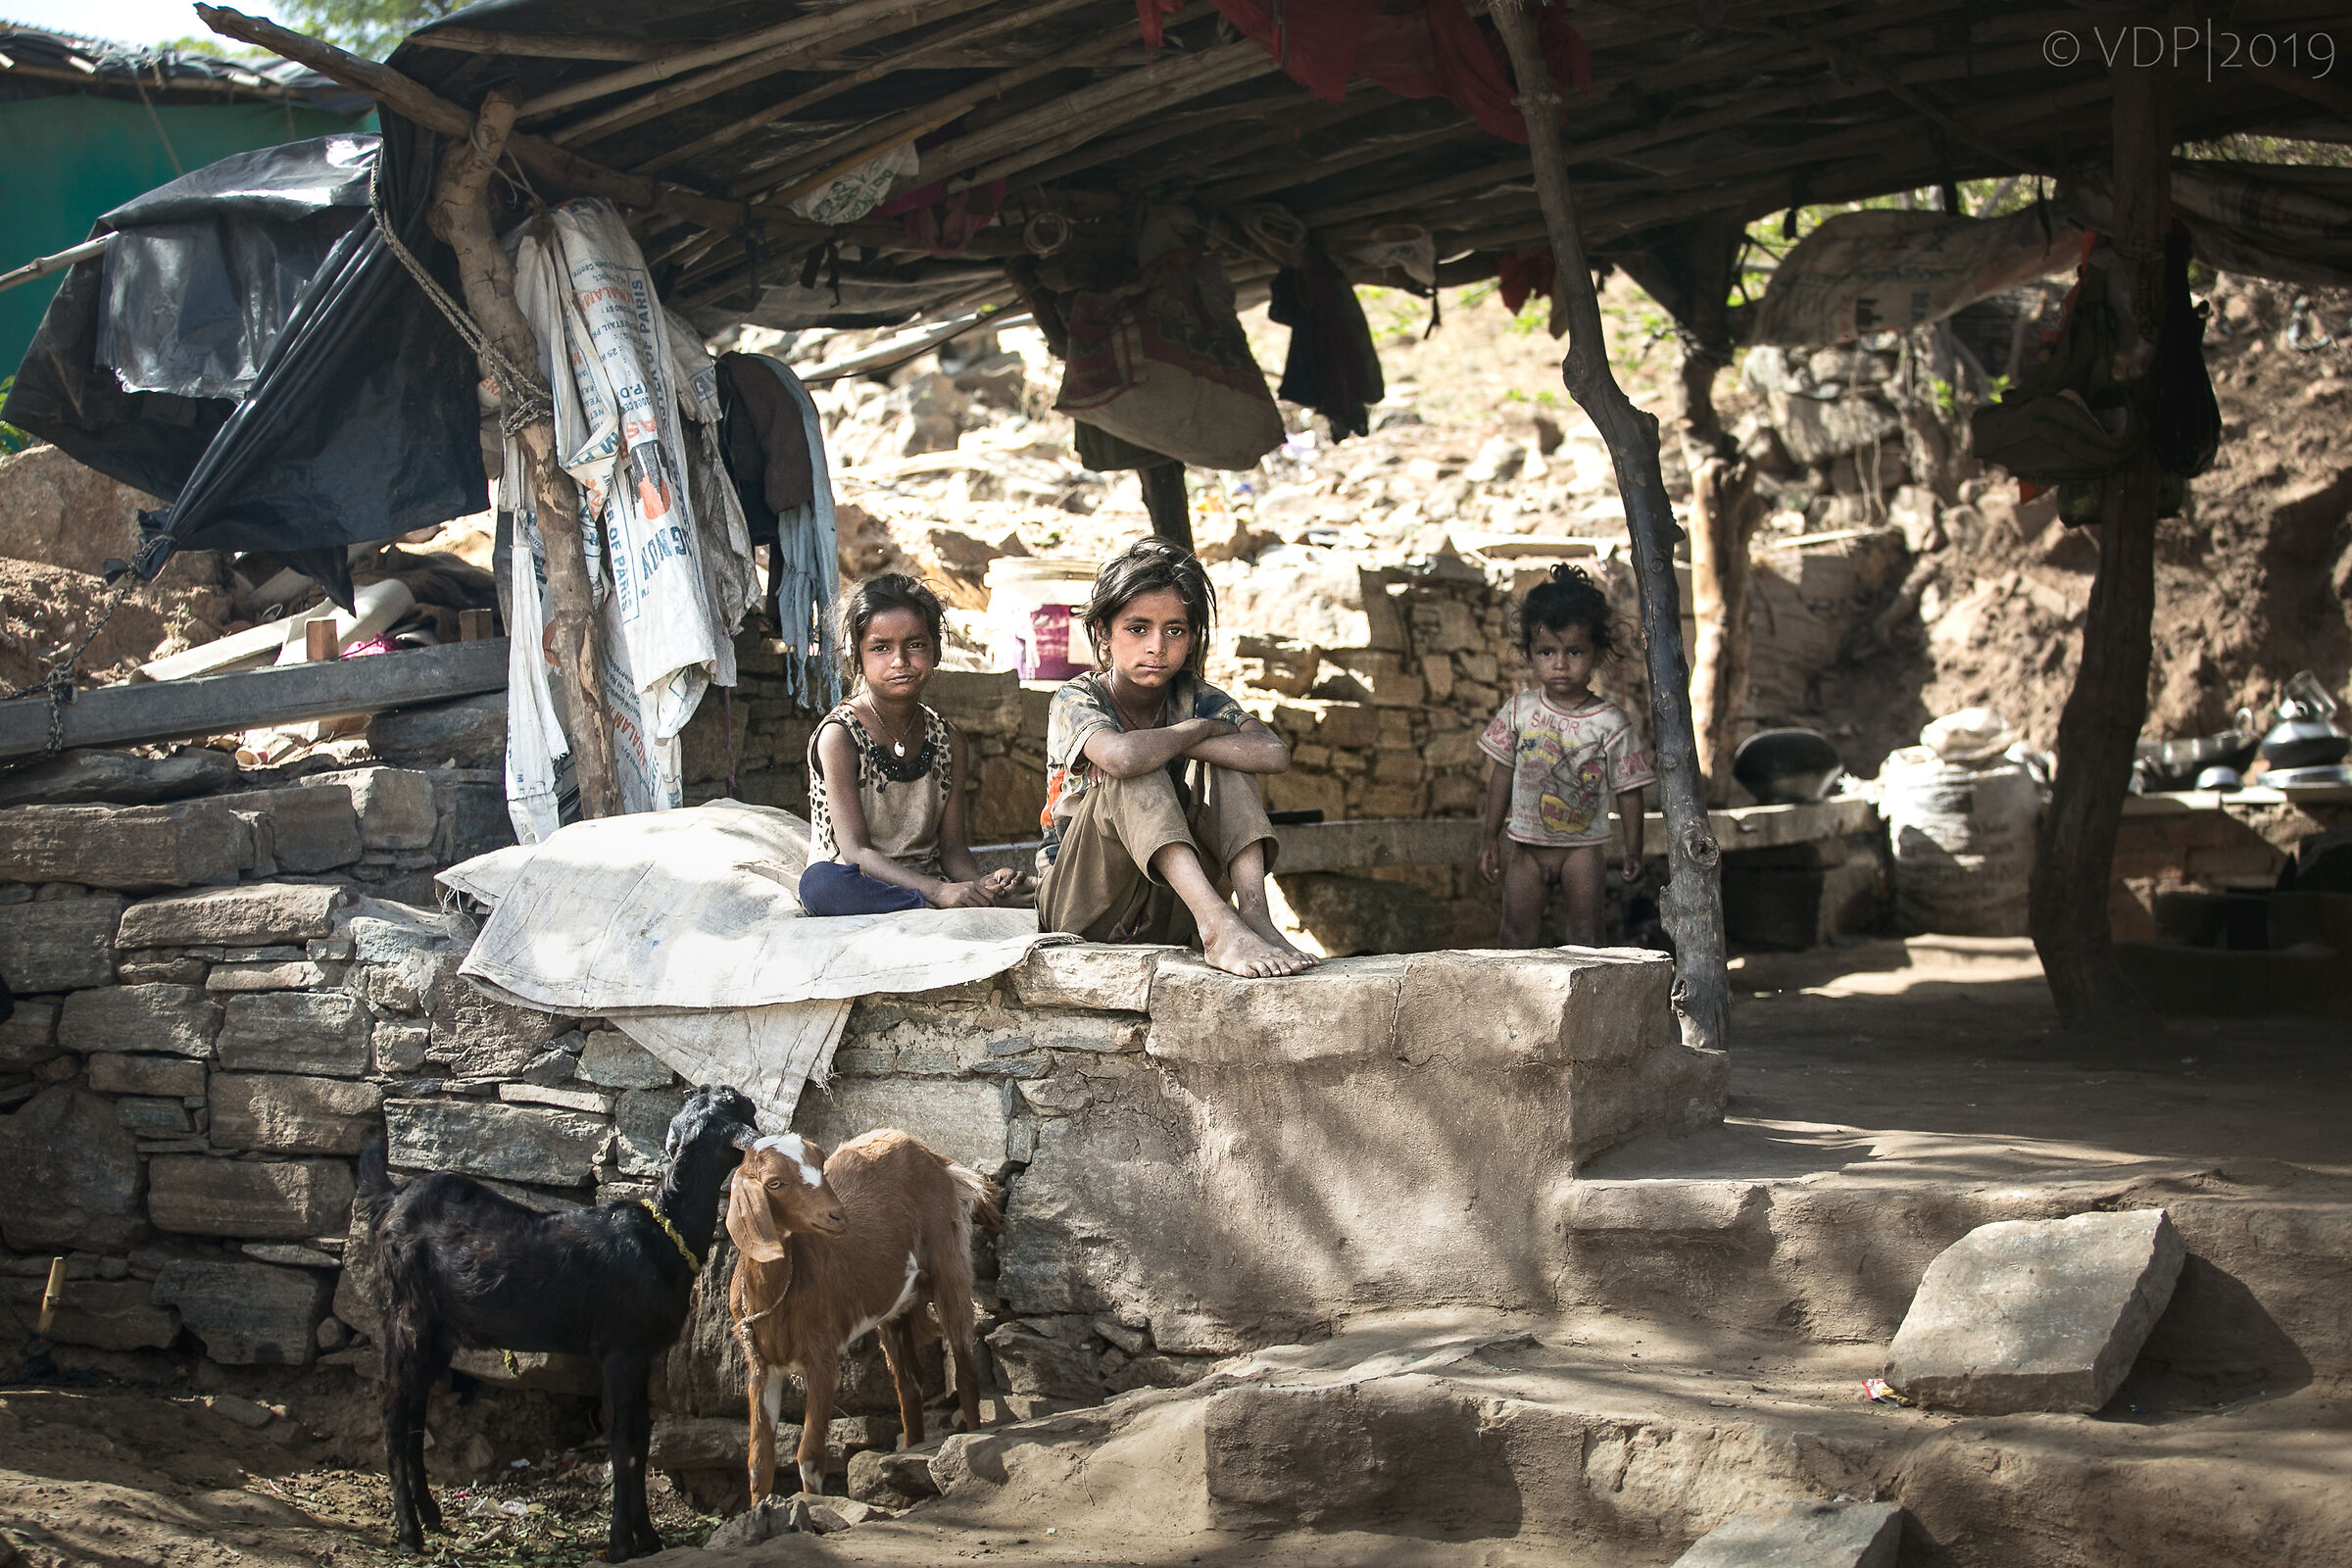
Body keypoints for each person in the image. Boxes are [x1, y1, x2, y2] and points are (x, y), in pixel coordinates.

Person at [1035, 538, 1315, 978]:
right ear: (1104, 632)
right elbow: (1123, 757)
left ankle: (1254, 916)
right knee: (1133, 767)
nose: (1157, 647)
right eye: (1137, 629)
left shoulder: (1195, 696)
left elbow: (1272, 753)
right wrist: (1198, 730)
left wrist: (1184, 736)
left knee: (1230, 760)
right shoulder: (1076, 698)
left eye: (1175, 631)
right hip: (1082, 903)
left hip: (1167, 906)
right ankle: (1218, 927)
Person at [799, 574, 1033, 916]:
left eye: (916, 645)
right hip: (860, 879)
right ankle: (926, 904)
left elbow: (953, 851)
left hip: (928, 875)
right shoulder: (841, 736)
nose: (900, 660)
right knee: (819, 885)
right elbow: (855, 851)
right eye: (880, 648)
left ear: (936, 650)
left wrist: (983, 887)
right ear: (857, 657)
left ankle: (935, 901)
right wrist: (938, 892)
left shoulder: (948, 740)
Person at [1477, 564, 1655, 948]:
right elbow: (1502, 773)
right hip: (1527, 849)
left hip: (1582, 851)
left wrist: (1633, 849)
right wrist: (1489, 836)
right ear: (1530, 653)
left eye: (1574, 651)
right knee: (1514, 936)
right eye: (1547, 652)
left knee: (1587, 937)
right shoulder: (1519, 711)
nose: (1560, 663)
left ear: (1596, 653)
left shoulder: (1610, 722)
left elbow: (1629, 790)